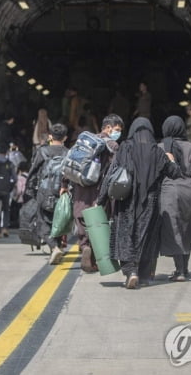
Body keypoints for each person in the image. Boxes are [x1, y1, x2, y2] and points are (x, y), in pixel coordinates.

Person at [97, 117, 182, 289]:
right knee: (146, 237)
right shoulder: (157, 152)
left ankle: (130, 271)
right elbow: (175, 173)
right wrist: (171, 160)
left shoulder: (125, 148)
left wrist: (101, 200)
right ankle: (143, 275)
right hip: (150, 203)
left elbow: (112, 174)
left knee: (125, 235)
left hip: (126, 201)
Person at [158, 116, 191, 282]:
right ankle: (184, 269)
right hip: (190, 190)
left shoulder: (160, 147)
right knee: (186, 229)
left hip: (169, 190)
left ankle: (180, 270)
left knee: (173, 229)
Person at [70, 113, 124, 273]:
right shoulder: (113, 146)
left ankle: (84, 246)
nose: (118, 133)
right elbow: (115, 171)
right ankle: (92, 255)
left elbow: (71, 163)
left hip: (80, 189)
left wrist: (65, 185)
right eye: (117, 129)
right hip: (99, 191)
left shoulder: (84, 141)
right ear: (107, 128)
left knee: (82, 218)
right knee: (98, 222)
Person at [25, 123, 70, 265]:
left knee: (42, 221)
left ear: (50, 136)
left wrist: (30, 190)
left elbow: (33, 171)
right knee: (58, 220)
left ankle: (54, 247)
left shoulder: (42, 152)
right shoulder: (68, 153)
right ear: (65, 138)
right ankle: (56, 248)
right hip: (63, 192)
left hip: (44, 192)